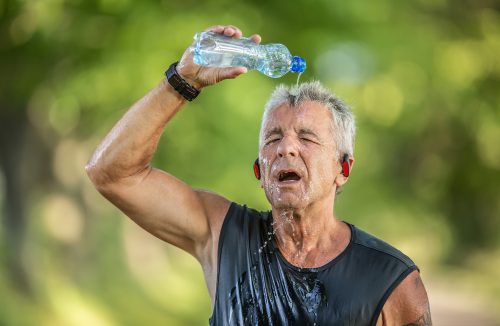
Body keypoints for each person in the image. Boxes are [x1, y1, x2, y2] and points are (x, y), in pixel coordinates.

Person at [86, 25, 431, 326]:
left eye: (307, 137)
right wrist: (182, 81)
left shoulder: (391, 280)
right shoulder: (222, 234)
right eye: (273, 138)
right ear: (259, 171)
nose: (286, 148)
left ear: (343, 169)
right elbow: (111, 172)